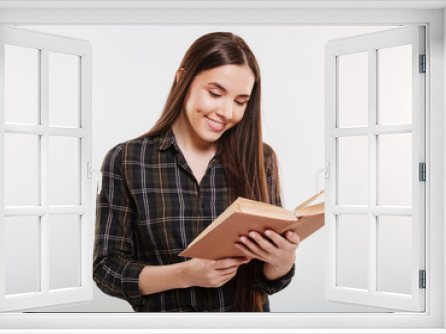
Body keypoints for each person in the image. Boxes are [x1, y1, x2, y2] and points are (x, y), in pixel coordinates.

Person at [93, 31, 300, 312]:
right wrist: (184, 274)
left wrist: (282, 262)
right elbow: (107, 269)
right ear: (183, 80)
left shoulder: (261, 159)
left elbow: (265, 280)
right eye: (215, 93)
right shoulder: (127, 160)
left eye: (240, 101)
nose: (227, 111)